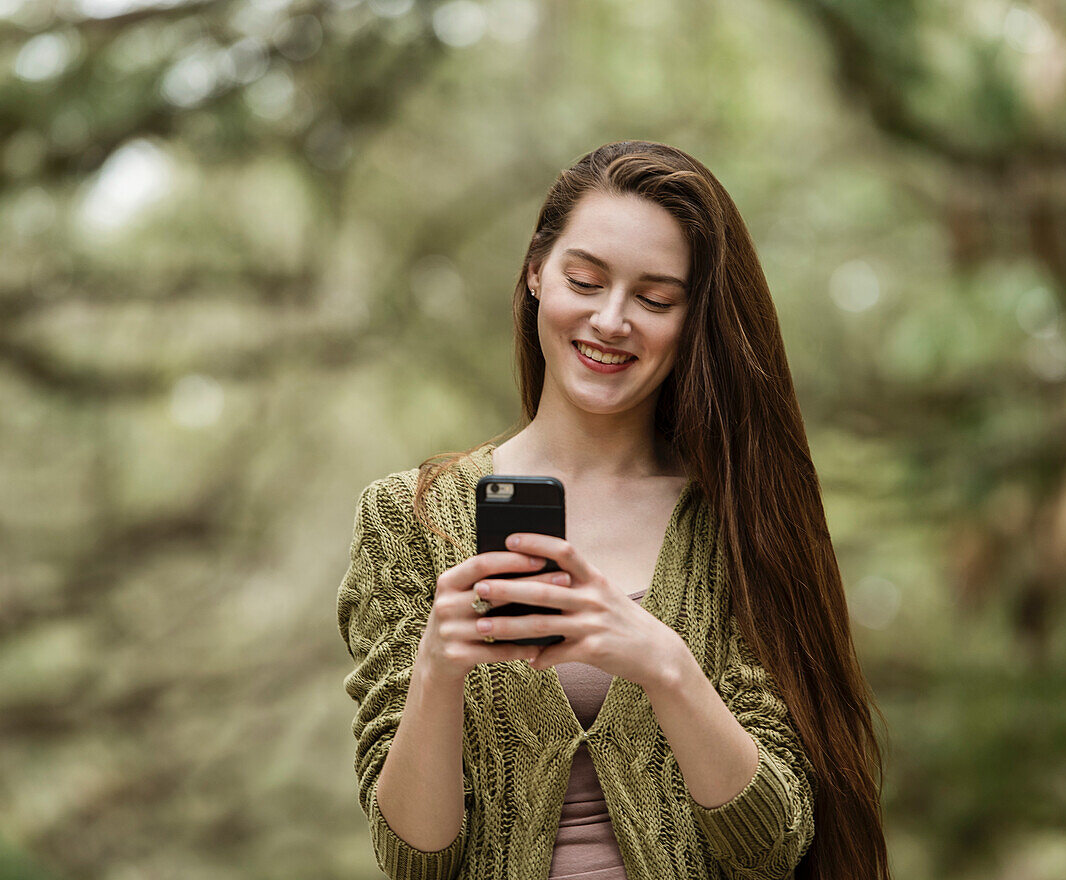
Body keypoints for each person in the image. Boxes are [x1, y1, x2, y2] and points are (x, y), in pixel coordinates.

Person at [337, 140, 892, 880]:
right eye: (585, 280)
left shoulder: (738, 519)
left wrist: (662, 662)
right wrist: (437, 670)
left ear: (693, 318)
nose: (611, 320)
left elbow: (772, 847)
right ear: (536, 273)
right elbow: (413, 862)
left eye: (655, 299)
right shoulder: (407, 520)